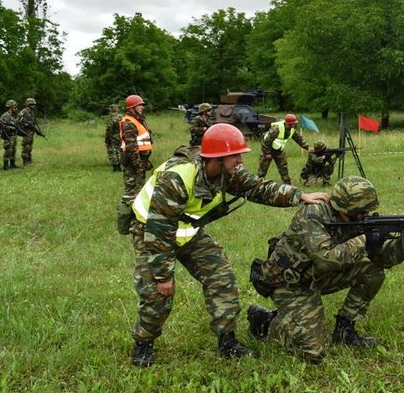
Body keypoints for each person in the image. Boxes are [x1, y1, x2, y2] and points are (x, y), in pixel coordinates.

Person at [128, 123, 329, 367]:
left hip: (188, 233)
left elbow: (258, 187)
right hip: (151, 233)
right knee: (156, 295)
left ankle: (227, 341)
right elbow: (160, 230)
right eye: (235, 156)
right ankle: (143, 344)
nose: (240, 161)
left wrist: (299, 196)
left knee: (221, 277)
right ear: (217, 158)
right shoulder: (177, 177)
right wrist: (163, 276)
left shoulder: (229, 173)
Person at [247, 176, 404, 364]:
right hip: (290, 284)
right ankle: (265, 321)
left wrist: (403, 244)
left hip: (317, 277)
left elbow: (382, 260)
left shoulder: (354, 220)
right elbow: (325, 260)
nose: (364, 216)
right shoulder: (312, 215)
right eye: (361, 212)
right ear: (344, 208)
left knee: (371, 270)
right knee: (313, 353)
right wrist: (365, 240)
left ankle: (345, 331)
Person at [257, 114, 311, 185]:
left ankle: (287, 184)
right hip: (268, 150)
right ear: (288, 124)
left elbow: (299, 139)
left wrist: (308, 147)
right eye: (293, 124)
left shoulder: (292, 130)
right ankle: (258, 184)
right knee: (263, 169)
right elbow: (266, 142)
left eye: (294, 124)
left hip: (278, 150)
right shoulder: (276, 129)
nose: (294, 125)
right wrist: (267, 153)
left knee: (283, 167)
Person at [118, 94, 152, 206]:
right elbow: (131, 148)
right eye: (139, 105)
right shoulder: (129, 123)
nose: (142, 107)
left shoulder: (138, 120)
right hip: (133, 163)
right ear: (132, 108)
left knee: (140, 191)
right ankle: (126, 217)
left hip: (140, 161)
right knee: (131, 192)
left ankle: (137, 216)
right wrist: (138, 165)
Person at [17, 97, 38, 165]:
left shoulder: (31, 112)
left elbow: (33, 122)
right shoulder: (23, 111)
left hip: (31, 132)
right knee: (26, 146)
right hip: (26, 132)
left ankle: (29, 159)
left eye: (34, 104)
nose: (33, 106)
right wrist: (26, 125)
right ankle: (25, 161)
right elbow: (19, 120)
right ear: (28, 105)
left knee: (30, 146)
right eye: (31, 104)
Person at [0, 100, 19, 170]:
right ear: (10, 107)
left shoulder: (13, 116)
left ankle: (12, 163)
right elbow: (1, 125)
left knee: (14, 149)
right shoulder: (5, 115)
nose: (16, 109)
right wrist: (10, 128)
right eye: (14, 107)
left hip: (13, 135)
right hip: (8, 135)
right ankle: (5, 165)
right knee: (9, 150)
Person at [104, 104, 122, 172]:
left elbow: (109, 131)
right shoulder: (121, 118)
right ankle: (120, 167)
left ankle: (116, 168)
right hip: (120, 138)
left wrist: (107, 141)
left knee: (112, 153)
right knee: (119, 152)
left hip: (113, 138)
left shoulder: (112, 120)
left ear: (111, 111)